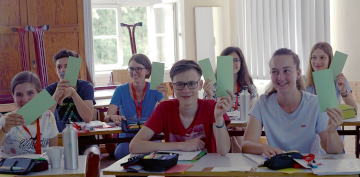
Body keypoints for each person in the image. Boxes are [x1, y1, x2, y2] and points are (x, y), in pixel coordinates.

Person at [242, 48, 344, 157]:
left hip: (310, 168)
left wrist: (332, 131)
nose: (280, 78)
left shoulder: (315, 104)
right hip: (278, 168)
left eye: (286, 71)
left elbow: (335, 151)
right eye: (275, 72)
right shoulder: (262, 103)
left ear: (298, 73)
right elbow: (246, 144)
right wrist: (264, 147)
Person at [129, 60, 234, 156]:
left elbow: (223, 150)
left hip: (205, 172)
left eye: (191, 84)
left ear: (200, 85)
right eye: (179, 84)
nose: (185, 90)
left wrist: (219, 118)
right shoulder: (164, 109)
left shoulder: (212, 107)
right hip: (175, 172)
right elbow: (134, 146)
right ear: (172, 87)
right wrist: (183, 145)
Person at [45, 49, 100, 176]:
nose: (62, 71)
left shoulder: (86, 86)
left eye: (67, 66)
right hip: (59, 141)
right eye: (59, 67)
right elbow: (45, 119)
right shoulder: (50, 89)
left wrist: (73, 93)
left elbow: (87, 118)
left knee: (93, 155)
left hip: (85, 140)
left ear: (75, 68)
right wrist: (56, 95)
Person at [104, 54, 169, 160]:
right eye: (131, 69)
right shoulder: (120, 90)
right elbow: (108, 116)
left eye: (138, 69)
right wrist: (113, 117)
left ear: (147, 71)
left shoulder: (155, 88)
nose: (134, 73)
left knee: (154, 157)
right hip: (127, 137)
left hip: (149, 136)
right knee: (121, 154)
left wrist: (165, 95)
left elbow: (168, 114)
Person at [203, 46, 257, 152]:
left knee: (240, 136)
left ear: (241, 63)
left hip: (241, 129)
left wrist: (241, 127)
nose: (232, 64)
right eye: (227, 61)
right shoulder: (212, 86)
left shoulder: (249, 88)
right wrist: (209, 96)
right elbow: (207, 113)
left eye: (236, 60)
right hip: (218, 126)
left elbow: (253, 116)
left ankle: (243, 164)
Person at [0, 71, 58, 158]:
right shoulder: (7, 120)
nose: (25, 99)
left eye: (30, 93)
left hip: (43, 169)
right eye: (19, 94)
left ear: (39, 94)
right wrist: (5, 129)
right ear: (13, 97)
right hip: (14, 169)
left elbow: (54, 150)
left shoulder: (48, 117)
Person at [305, 42, 358, 111]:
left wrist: (343, 91)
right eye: (314, 57)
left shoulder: (339, 80)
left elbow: (354, 110)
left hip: (331, 120)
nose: (317, 62)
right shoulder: (303, 80)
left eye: (322, 58)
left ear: (329, 60)